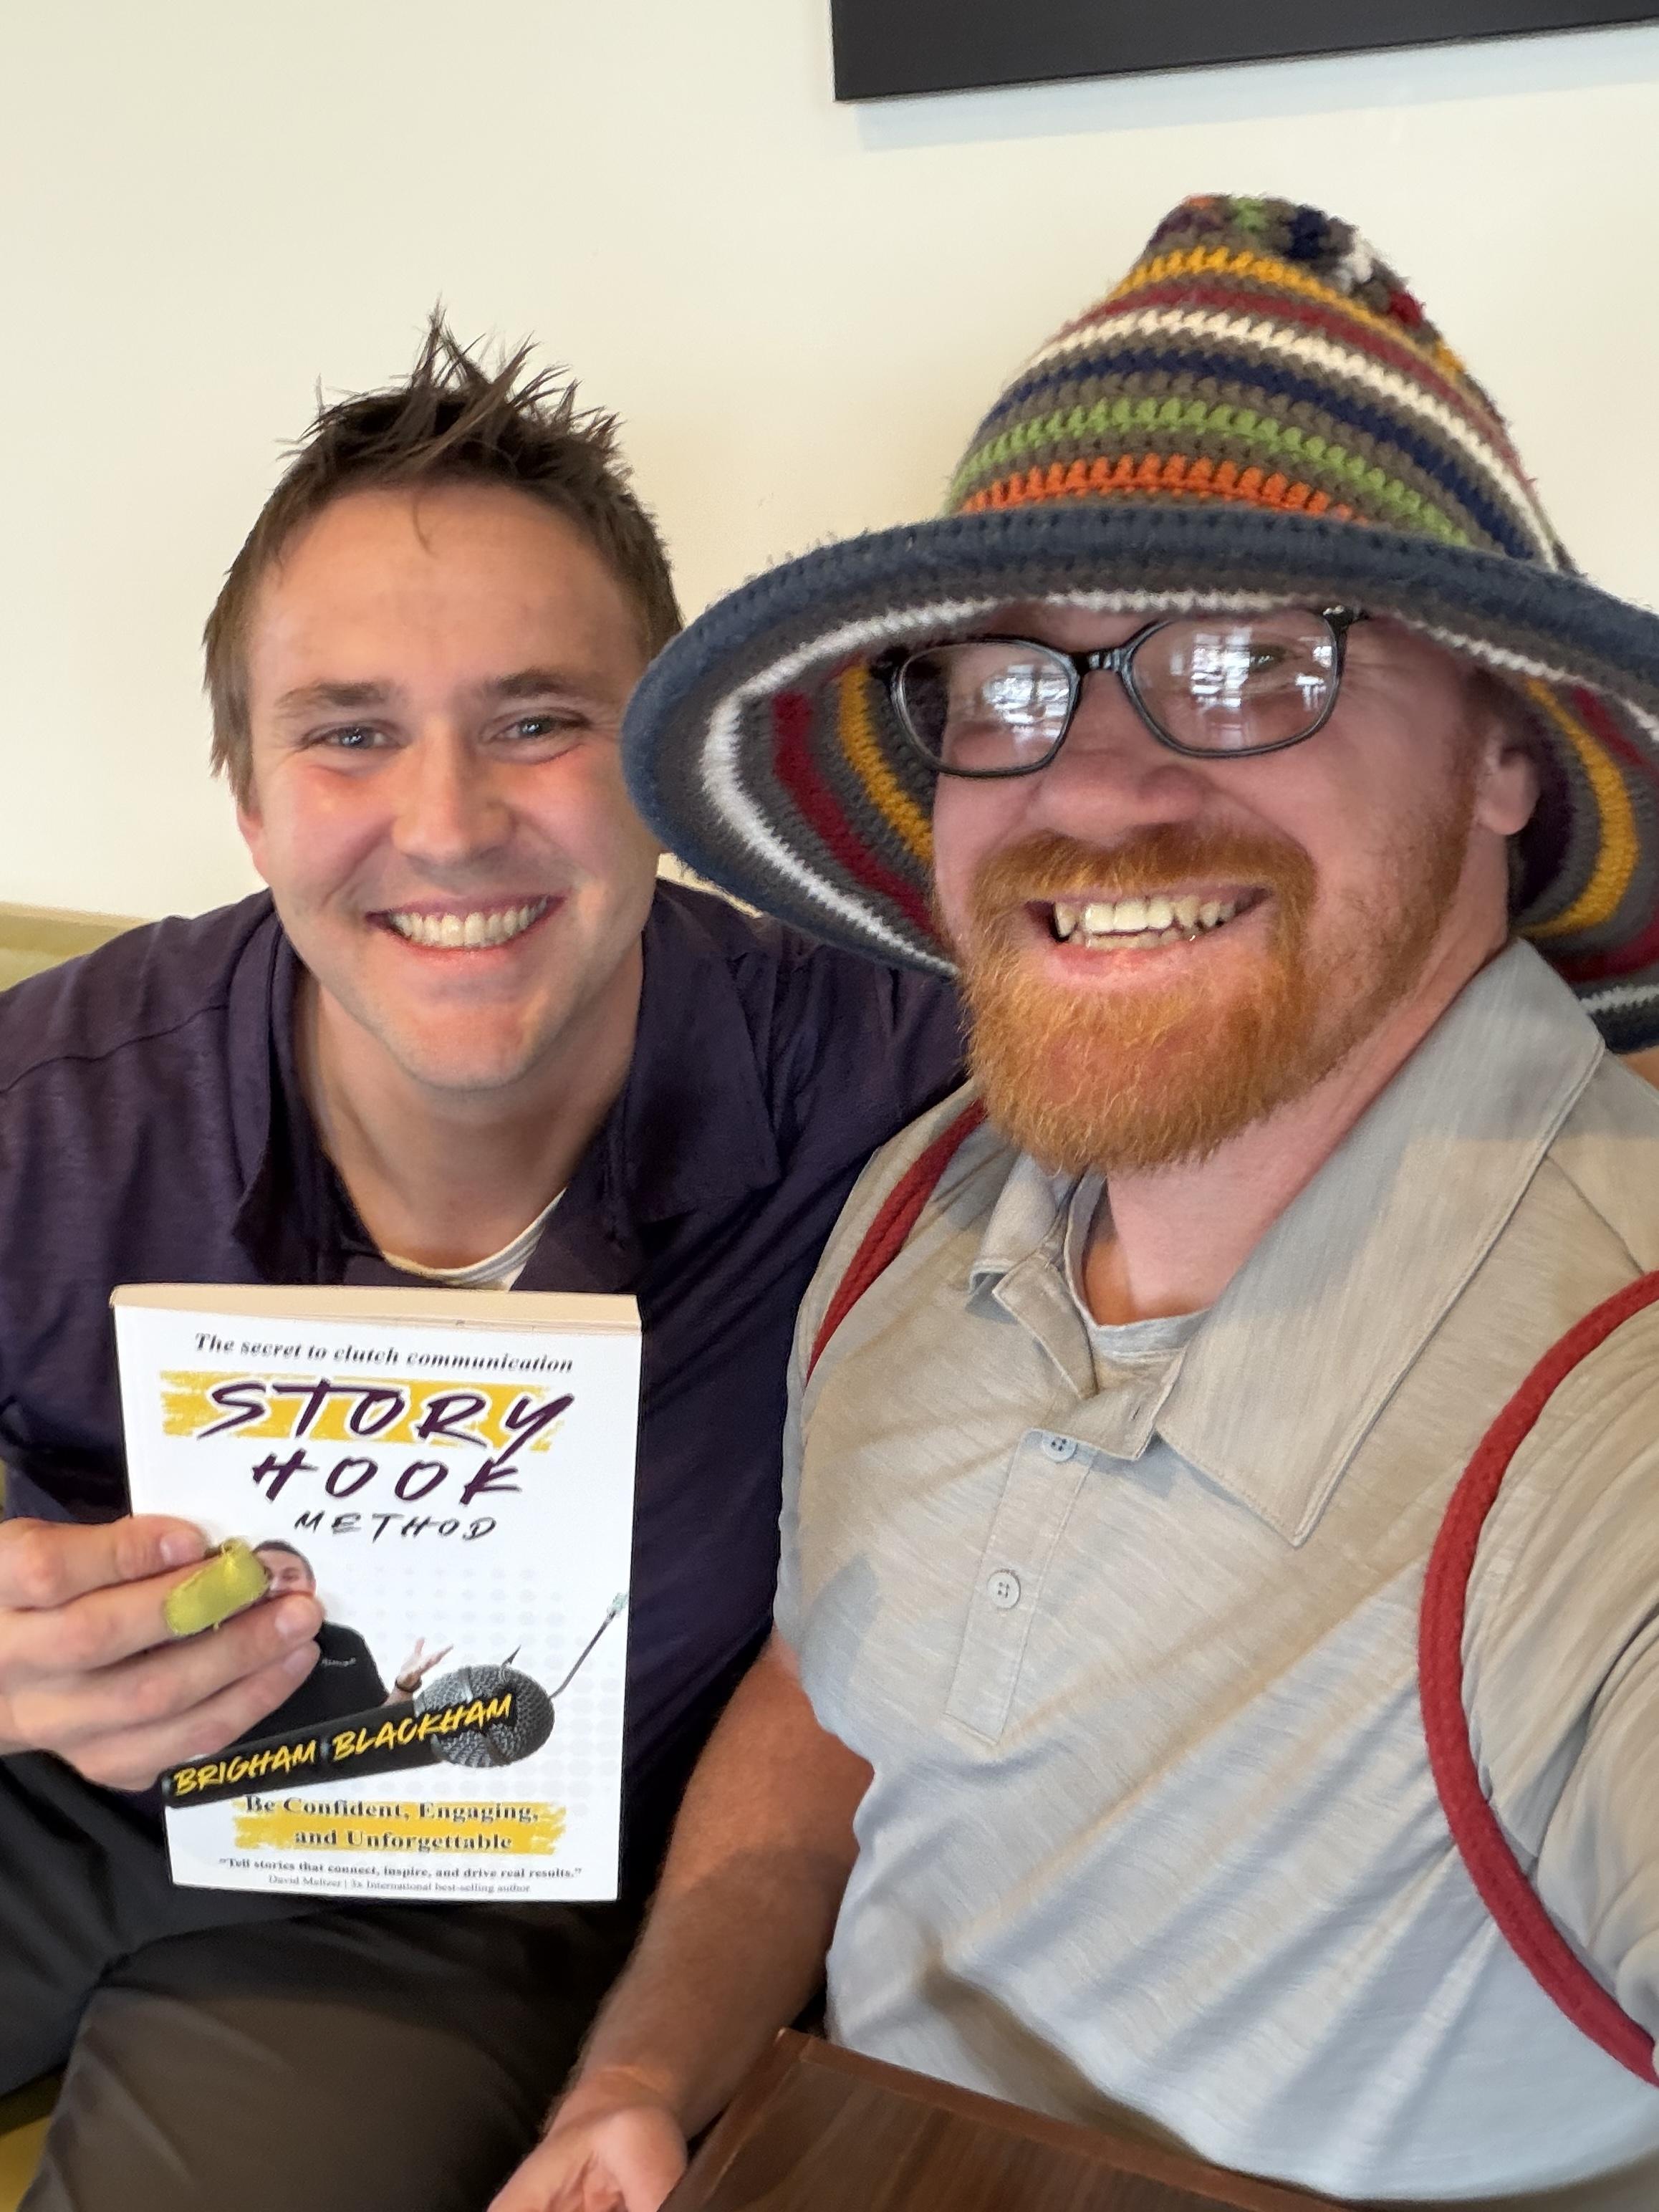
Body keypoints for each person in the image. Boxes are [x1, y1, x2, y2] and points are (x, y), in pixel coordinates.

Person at [499, 198, 1659, 2211]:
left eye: (1246, 661)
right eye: (1009, 683)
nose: (1095, 786)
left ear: (1502, 752)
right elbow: (839, 1699)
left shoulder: (1606, 1398)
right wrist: (646, 2076)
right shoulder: (928, 1198)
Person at [0, 318, 961, 2211]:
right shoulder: (61, 1098)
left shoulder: (896, 1088)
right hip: (53, 1788)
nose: (445, 826)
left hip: (466, 1877)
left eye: (536, 721)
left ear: (667, 766)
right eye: (350, 733)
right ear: (250, 796)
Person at [248, 1539, 451, 1721]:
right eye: (264, 1577)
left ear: (311, 1586)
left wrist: (404, 1686)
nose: (276, 1587)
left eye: (290, 1577)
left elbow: (378, 1727)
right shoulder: (232, 1652)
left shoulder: (345, 1642)